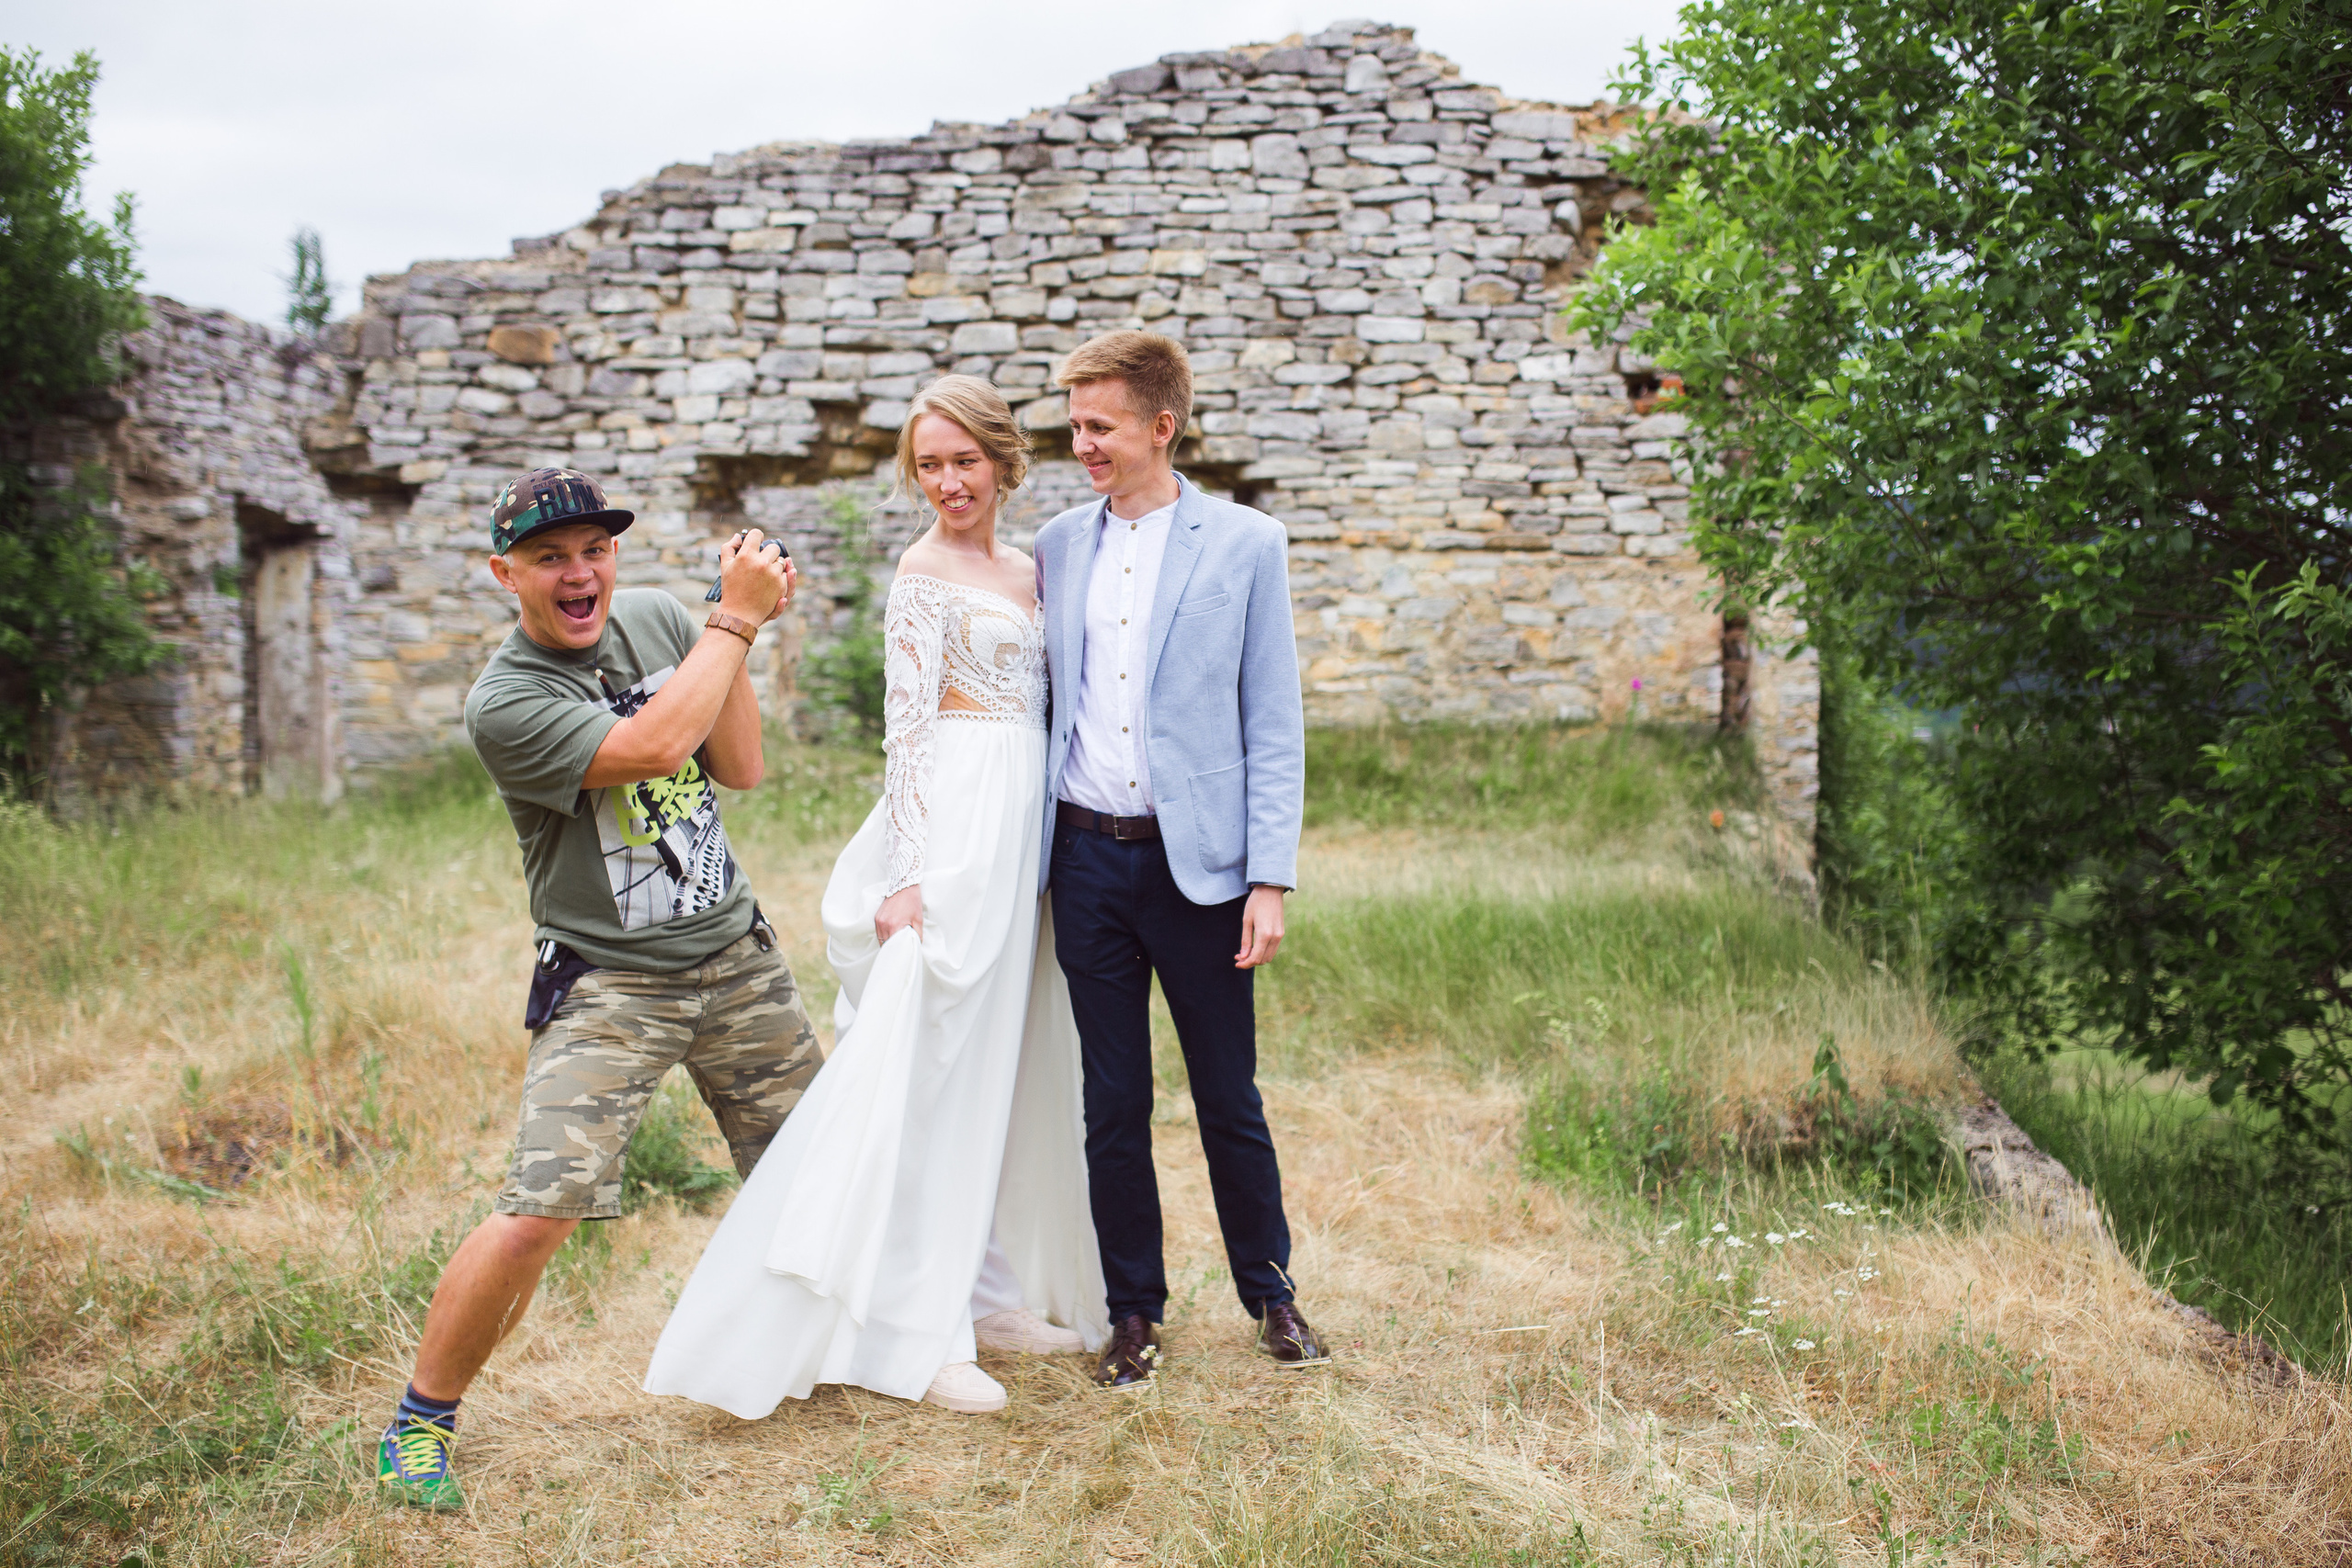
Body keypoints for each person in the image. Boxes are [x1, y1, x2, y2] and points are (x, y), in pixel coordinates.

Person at [645, 376, 1104, 1419]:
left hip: (1024, 838)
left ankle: (986, 1294)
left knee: (997, 1068)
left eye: (964, 461)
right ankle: (912, 1329)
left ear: (1002, 461)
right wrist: (905, 875)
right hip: (951, 834)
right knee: (926, 1073)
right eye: (928, 465)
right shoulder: (920, 571)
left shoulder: (1034, 570)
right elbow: (908, 730)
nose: (948, 482)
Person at [378, 468, 820, 1512]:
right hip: (611, 983)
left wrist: (729, 629)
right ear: (507, 575)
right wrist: (734, 621)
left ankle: (846, 1350)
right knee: (539, 1213)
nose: (579, 574)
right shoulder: (506, 701)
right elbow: (653, 747)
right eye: (549, 558)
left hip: (737, 956)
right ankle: (420, 1423)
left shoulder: (662, 619)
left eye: (595, 550)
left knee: (814, 1173)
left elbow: (739, 766)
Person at [1035, 330, 1329, 1390]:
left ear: (1161, 426)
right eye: (1074, 425)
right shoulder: (1054, 546)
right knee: (1111, 1102)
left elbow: (1273, 722)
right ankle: (1132, 1313)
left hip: (1198, 870)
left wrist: (1268, 878)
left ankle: (1271, 1294)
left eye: (1100, 425)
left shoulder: (1247, 543)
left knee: (1226, 1097)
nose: (1082, 444)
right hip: (1084, 860)